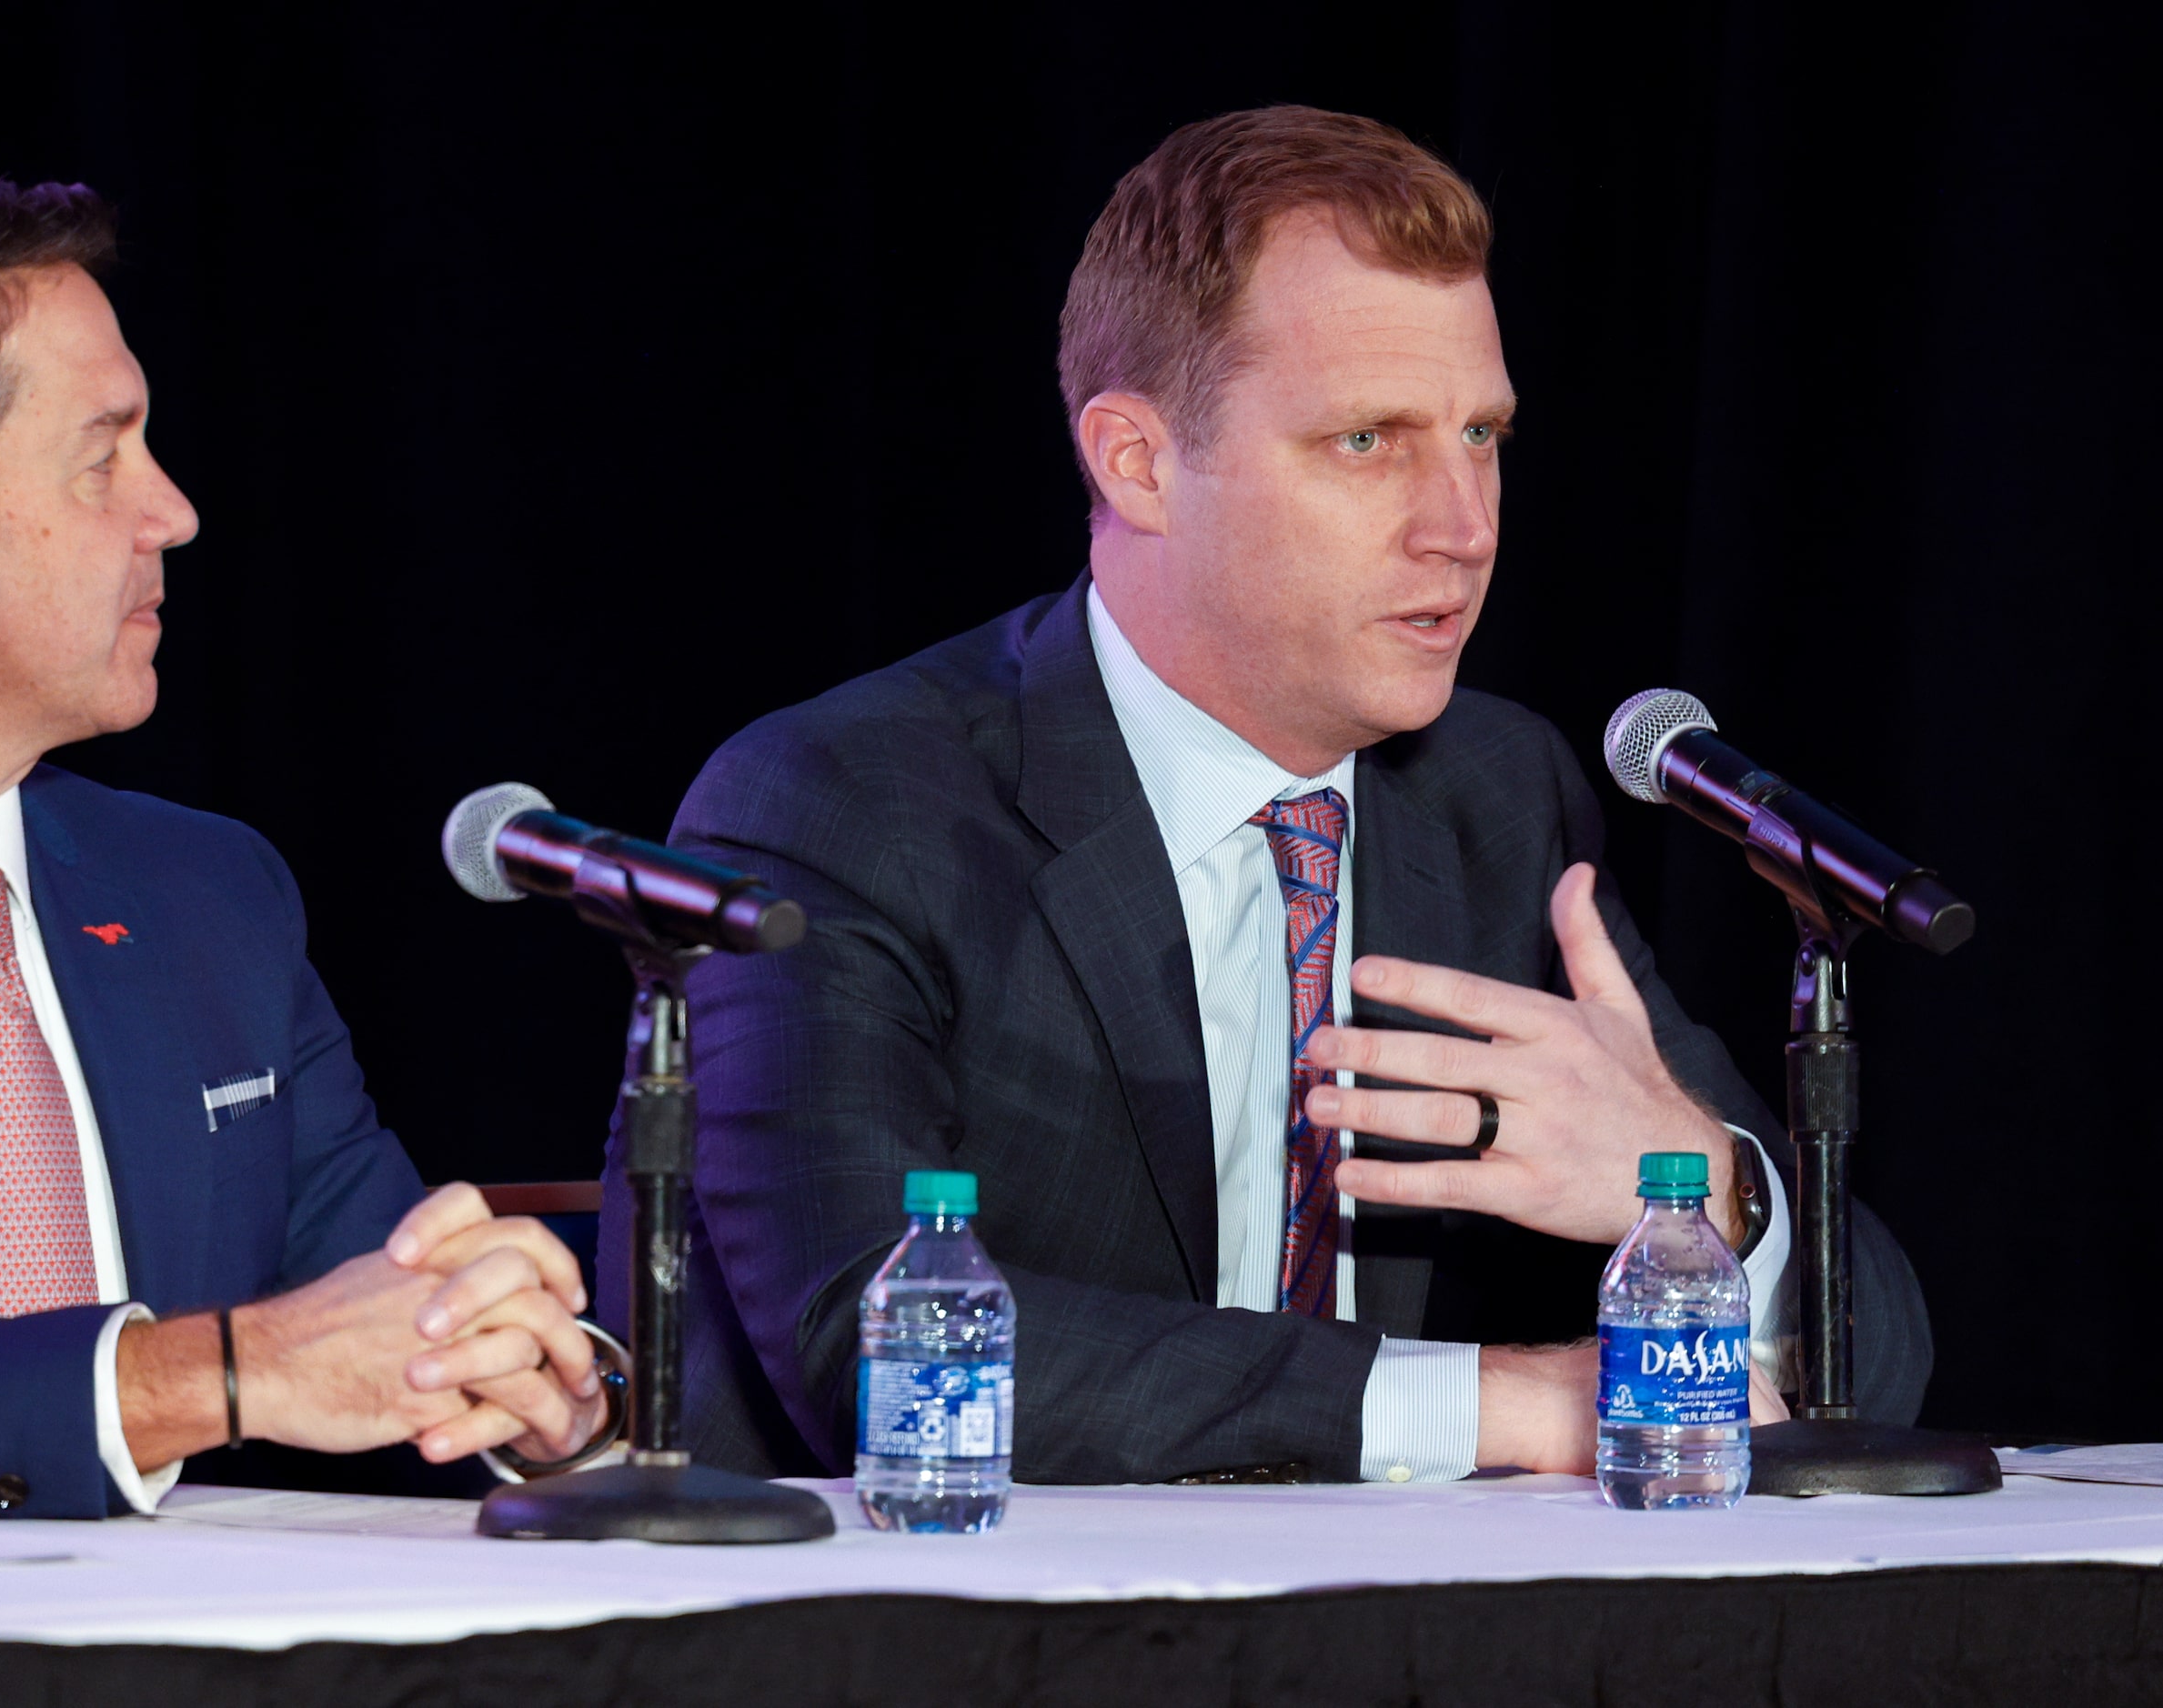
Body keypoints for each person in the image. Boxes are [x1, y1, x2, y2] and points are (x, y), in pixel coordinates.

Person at [602, 106, 1931, 1484]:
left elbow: (1872, 1364)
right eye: (1367, 441)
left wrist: (1699, 1183)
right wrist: (1500, 1404)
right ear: (1136, 461)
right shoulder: (849, 803)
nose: (1461, 524)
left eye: (1481, 435)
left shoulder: (1494, 799)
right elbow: (872, 1352)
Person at [0, 183, 608, 1517]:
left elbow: (385, 1312)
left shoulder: (207, 895)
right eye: (105, 458)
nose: (175, 511)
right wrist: (212, 1374)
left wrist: (530, 1381)